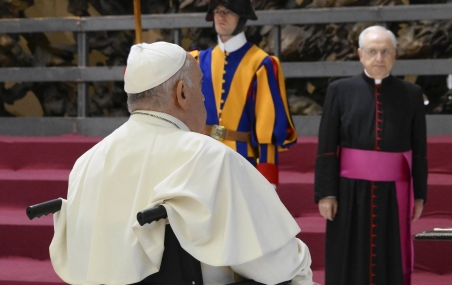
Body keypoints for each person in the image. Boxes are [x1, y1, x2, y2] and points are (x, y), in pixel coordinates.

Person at [49, 41, 314, 285]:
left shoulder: (86, 163)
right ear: (182, 93)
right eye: (201, 86)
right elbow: (276, 265)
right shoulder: (211, 158)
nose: (204, 97)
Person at [314, 25, 428, 285]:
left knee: (390, 255)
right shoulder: (339, 91)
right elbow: (327, 146)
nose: (379, 58)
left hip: (394, 194)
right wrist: (326, 193)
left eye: (385, 51)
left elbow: (420, 150)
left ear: (395, 54)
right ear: (360, 54)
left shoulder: (411, 94)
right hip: (348, 191)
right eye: (373, 51)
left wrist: (419, 194)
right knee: (347, 253)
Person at [190, 0, 297, 186]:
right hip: (201, 160)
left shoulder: (262, 64)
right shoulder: (197, 60)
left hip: (243, 163)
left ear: (242, 16)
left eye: (228, 10)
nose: (221, 16)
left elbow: (267, 129)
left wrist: (269, 181)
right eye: (217, 10)